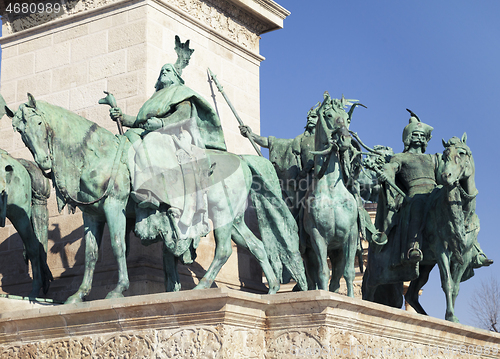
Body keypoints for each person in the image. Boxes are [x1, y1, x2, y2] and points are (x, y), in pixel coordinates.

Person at [239, 104, 319, 219]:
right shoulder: (299, 141)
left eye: (314, 117)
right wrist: (251, 135)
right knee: (297, 206)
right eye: (308, 118)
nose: (310, 119)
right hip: (306, 179)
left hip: (323, 177)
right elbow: (271, 143)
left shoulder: (327, 140)